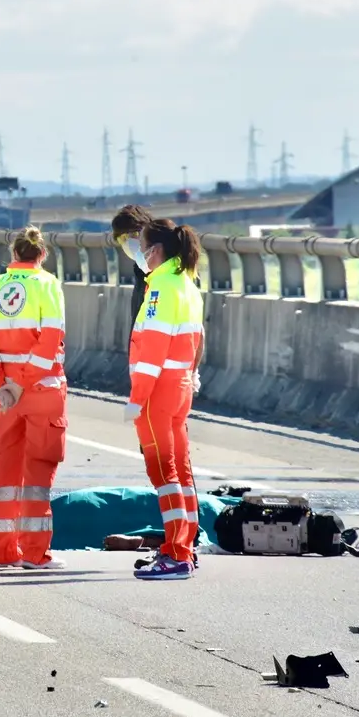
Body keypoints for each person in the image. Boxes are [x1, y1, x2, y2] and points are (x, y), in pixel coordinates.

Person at [0, 226, 68, 571]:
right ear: (42, 255)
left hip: (7, 399)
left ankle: (2, 551)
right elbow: (50, 340)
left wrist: (3, 385)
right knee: (38, 473)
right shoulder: (48, 286)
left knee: (4, 473)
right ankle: (33, 554)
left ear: (13, 255)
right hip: (42, 391)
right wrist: (23, 383)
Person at [123, 218, 205, 581]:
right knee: (181, 469)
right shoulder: (187, 284)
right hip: (181, 385)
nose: (141, 254)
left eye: (142, 247)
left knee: (163, 472)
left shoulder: (160, 290)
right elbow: (198, 339)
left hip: (158, 391)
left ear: (155, 252)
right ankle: (185, 545)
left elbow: (152, 350)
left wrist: (137, 398)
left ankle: (176, 554)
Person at [111, 204, 155, 332]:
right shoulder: (140, 273)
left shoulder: (164, 276)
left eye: (135, 234)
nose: (129, 242)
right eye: (123, 238)